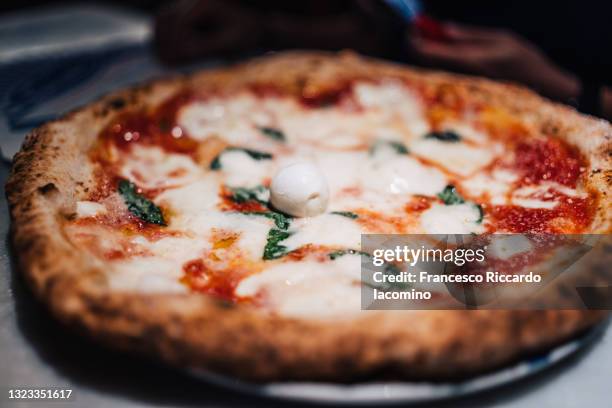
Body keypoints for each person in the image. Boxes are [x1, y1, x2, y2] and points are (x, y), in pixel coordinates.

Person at [154, 0, 612, 120]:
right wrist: (265, 30)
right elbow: (400, 28)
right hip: (407, 111)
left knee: (579, 280)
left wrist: (566, 88)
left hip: (558, 144)